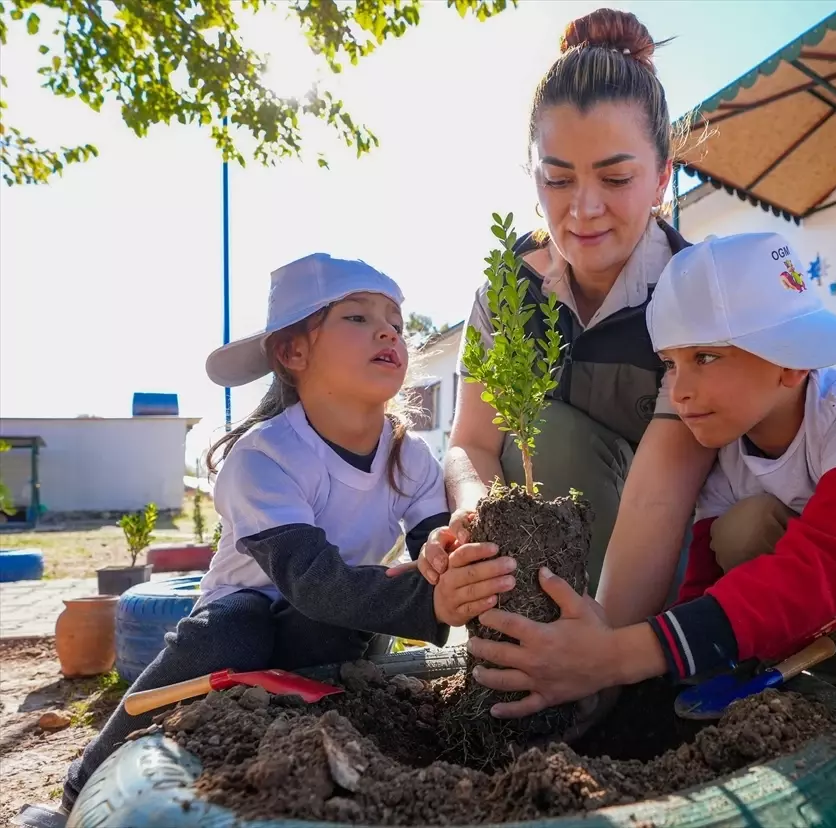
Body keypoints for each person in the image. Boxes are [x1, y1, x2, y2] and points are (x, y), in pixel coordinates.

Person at [60, 253, 512, 812]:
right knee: (238, 628)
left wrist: (449, 558)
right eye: (356, 318)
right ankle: (84, 779)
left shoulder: (410, 455)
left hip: (334, 621)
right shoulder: (264, 456)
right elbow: (312, 580)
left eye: (395, 322)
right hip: (251, 615)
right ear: (293, 351)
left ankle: (324, 745)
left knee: (334, 632)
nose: (387, 331)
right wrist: (432, 604)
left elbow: (429, 551)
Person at [463, 232, 836, 717]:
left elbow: (818, 572)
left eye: (705, 357)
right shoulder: (727, 456)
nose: (678, 391)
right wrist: (655, 689)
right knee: (743, 527)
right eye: (670, 365)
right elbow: (702, 586)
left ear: (790, 363)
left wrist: (614, 655)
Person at [427, 8, 715, 610]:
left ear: (662, 178)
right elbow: (471, 443)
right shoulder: (505, 294)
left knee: (553, 440)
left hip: (680, 557)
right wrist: (473, 514)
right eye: (557, 181)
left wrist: (604, 654)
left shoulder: (694, 294)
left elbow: (663, 498)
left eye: (615, 180)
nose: (583, 210)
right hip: (549, 571)